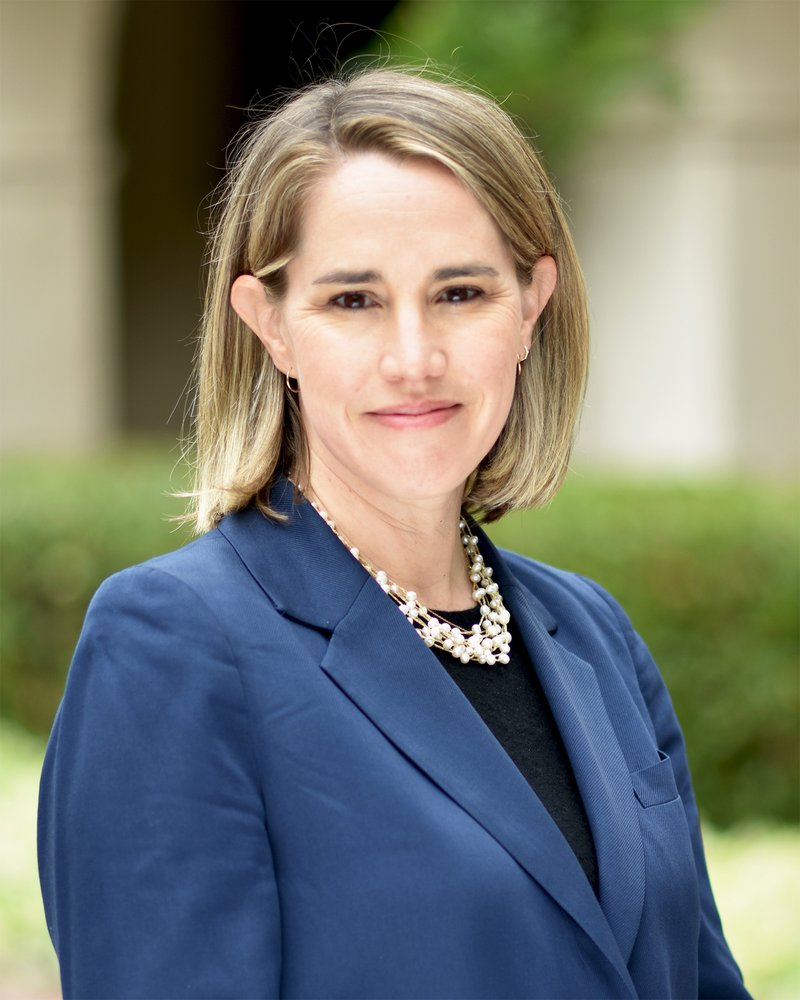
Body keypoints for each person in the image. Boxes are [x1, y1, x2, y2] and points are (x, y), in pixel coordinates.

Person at [38, 69, 750, 1000]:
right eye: (352, 301)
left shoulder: (594, 634)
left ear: (532, 307)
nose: (415, 359)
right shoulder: (173, 642)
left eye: (460, 292)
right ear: (272, 329)